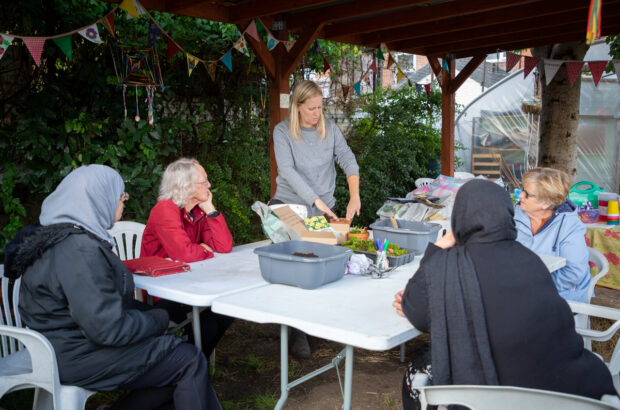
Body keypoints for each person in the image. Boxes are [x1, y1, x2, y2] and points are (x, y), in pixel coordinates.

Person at [10, 165, 220, 410]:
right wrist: (159, 320)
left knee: (180, 361)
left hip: (66, 344)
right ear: (98, 199)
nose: (123, 202)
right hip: (75, 355)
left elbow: (105, 307)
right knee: (188, 361)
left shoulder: (61, 236)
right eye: (121, 197)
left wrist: (152, 319)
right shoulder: (78, 250)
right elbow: (108, 330)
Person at [393, 179, 615, 409]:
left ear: (460, 215)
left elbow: (418, 315)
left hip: (492, 394)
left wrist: (444, 242)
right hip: (564, 391)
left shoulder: (448, 265)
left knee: (416, 369)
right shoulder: (531, 260)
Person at [141, 158, 234, 356]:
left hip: (192, 282)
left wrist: (210, 209)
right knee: (207, 324)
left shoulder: (198, 210)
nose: (209, 185)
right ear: (186, 186)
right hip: (162, 291)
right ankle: (191, 366)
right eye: (204, 181)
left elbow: (224, 247)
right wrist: (204, 249)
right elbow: (184, 253)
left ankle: (193, 364)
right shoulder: (164, 209)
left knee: (227, 312)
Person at [271, 79, 360, 221]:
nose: (317, 113)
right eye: (311, 109)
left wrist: (355, 196)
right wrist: (315, 200)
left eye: (319, 107)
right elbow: (286, 170)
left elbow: (347, 158)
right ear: (298, 107)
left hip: (324, 209)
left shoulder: (330, 129)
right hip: (290, 208)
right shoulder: (282, 131)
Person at [514, 167, 590, 302]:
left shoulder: (569, 226)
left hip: (561, 294)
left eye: (526, 194)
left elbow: (573, 272)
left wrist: (533, 288)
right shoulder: (516, 214)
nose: (520, 196)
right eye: (522, 190)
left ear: (546, 203)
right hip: (521, 285)